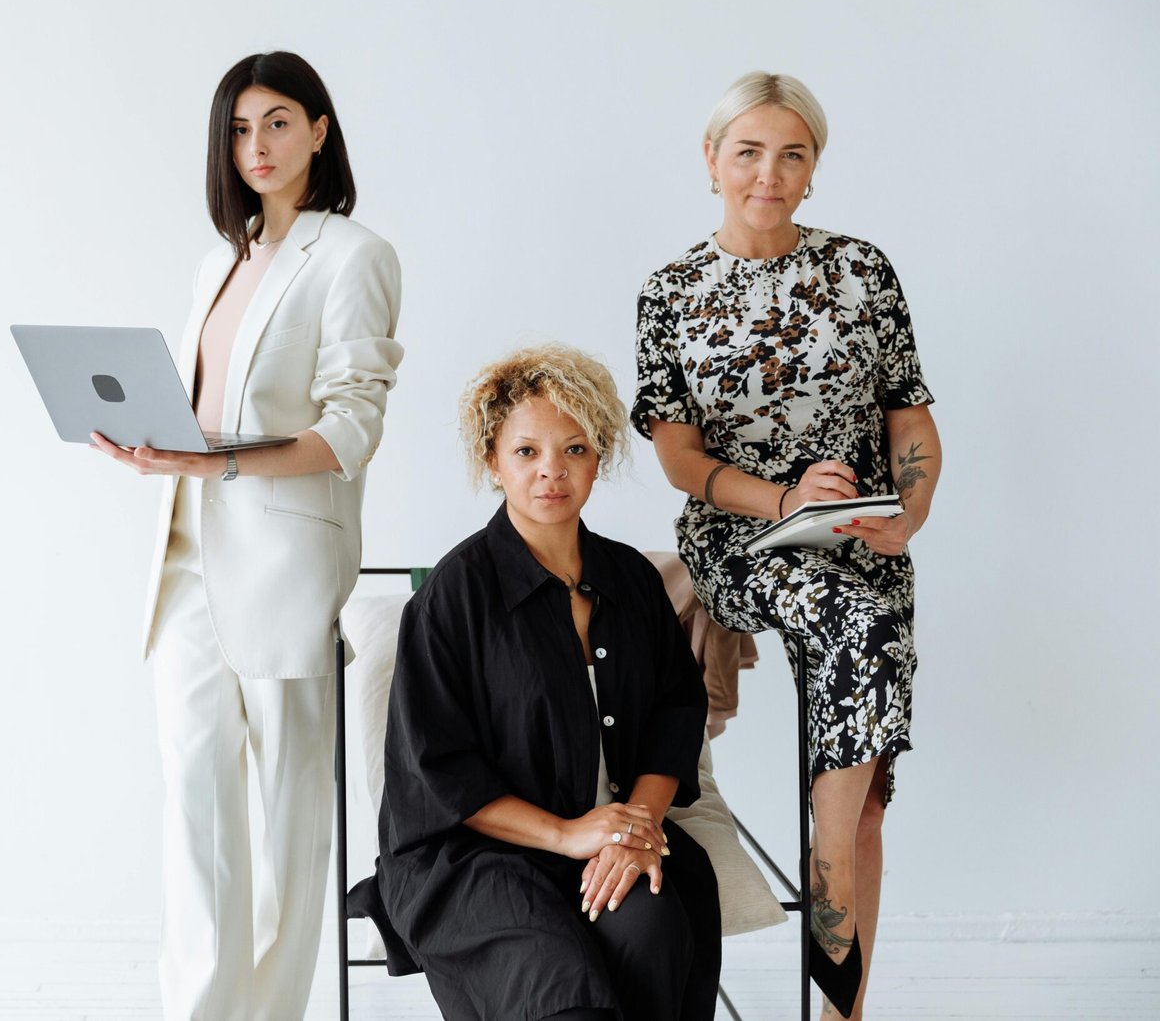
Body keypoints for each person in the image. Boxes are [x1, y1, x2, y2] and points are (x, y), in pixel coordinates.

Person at [88, 51, 403, 1020]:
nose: (255, 145)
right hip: (185, 555)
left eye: (275, 122)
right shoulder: (218, 262)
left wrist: (214, 458)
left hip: (285, 565)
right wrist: (162, 445)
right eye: (237, 127)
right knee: (192, 795)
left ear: (318, 129)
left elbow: (352, 427)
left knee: (283, 815)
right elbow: (206, 409)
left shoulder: (352, 254)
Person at [633, 71, 942, 1020]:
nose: (770, 172)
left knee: (872, 788)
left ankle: (842, 966)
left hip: (859, 536)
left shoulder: (862, 270)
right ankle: (826, 853)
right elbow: (680, 457)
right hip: (739, 541)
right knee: (847, 616)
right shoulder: (673, 291)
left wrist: (911, 511)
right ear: (712, 160)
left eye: (793, 153)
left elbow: (912, 424)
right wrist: (780, 499)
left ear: (814, 169)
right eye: (749, 150)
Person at [366, 345, 720, 1021]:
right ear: (492, 460)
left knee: (655, 937)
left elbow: (677, 712)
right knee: (562, 993)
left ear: (600, 456)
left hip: (611, 838)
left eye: (575, 449)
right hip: (477, 857)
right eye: (526, 451)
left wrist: (633, 824)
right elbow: (438, 772)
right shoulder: (453, 595)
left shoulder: (633, 581)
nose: (551, 471)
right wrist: (568, 833)